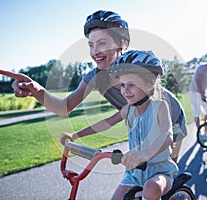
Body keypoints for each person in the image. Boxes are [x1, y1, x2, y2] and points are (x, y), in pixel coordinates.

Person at [0, 10, 187, 162]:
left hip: (170, 117)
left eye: (102, 43)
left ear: (123, 43)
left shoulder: (137, 65)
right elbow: (64, 107)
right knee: (139, 178)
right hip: (139, 122)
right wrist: (37, 90)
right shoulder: (95, 77)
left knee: (165, 170)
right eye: (91, 45)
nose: (95, 52)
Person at [61, 50, 179, 200]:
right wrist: (75, 135)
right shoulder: (128, 110)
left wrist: (145, 154)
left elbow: (167, 136)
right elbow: (106, 123)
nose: (125, 91)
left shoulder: (160, 107)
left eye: (131, 85)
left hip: (160, 170)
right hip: (134, 172)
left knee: (151, 189)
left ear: (149, 85)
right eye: (122, 85)